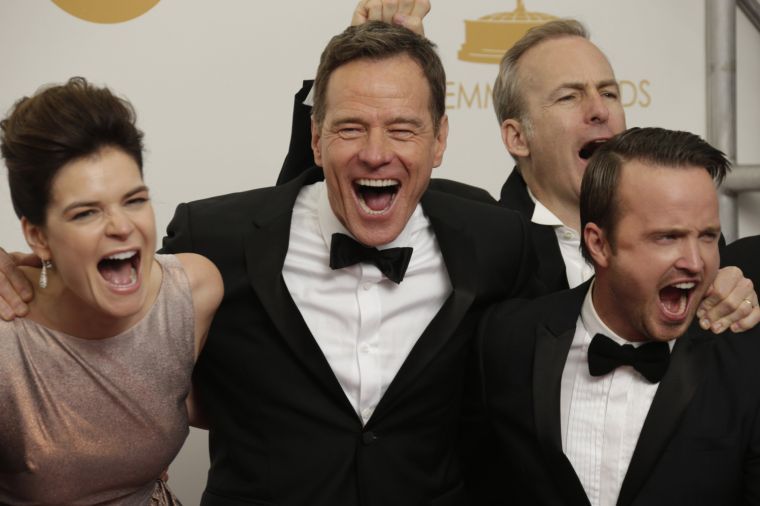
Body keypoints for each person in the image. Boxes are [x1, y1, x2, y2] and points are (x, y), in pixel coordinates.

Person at [164, 21, 535, 506]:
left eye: (403, 129)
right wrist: (36, 286)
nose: (376, 154)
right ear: (316, 138)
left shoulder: (497, 240)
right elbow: (126, 357)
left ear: (440, 140)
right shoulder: (213, 238)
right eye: (350, 128)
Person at [276, 8, 760, 335]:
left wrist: (724, 286)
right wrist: (354, 70)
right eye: (569, 96)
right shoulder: (473, 232)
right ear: (516, 137)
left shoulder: (692, 247)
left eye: (609, 93)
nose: (599, 111)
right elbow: (310, 210)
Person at [479, 127, 760, 505]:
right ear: (599, 244)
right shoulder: (508, 339)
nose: (696, 262)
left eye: (708, 236)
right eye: (667, 237)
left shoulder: (745, 362)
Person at [0, 77, 223, 504]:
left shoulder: (193, 291)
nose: (122, 227)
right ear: (38, 236)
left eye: (134, 200)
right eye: (86, 213)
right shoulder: (8, 337)